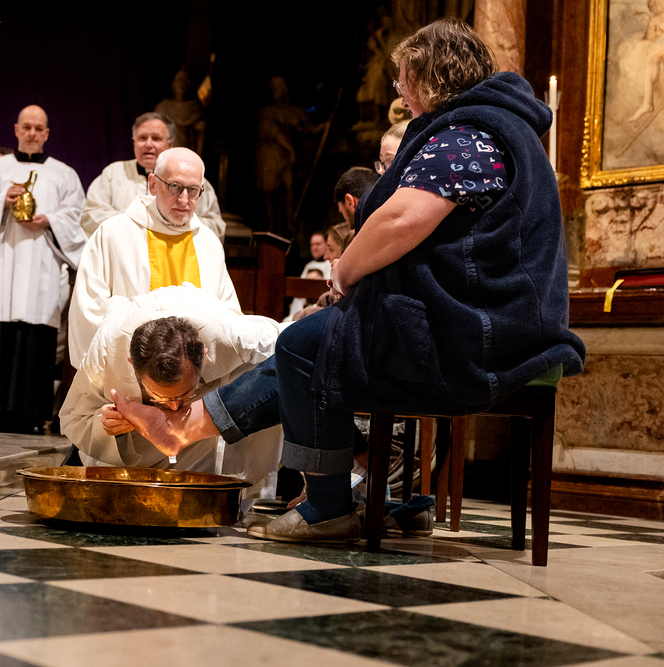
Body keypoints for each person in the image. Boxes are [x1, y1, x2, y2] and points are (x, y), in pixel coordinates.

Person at [112, 17, 585, 545]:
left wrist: (346, 271)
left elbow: (402, 219)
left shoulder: (469, 135)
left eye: (404, 80)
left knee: (302, 346)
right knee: (316, 340)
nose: (400, 94)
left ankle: (326, 504)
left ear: (429, 77)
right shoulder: (494, 127)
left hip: (475, 331)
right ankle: (322, 482)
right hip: (485, 315)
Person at [60, 285, 283, 497]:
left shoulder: (229, 335)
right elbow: (74, 418)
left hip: (205, 443)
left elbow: (289, 344)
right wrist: (107, 422)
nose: (175, 407)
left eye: (184, 394)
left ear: (205, 356)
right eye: (159, 396)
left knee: (267, 373)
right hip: (140, 452)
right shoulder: (106, 352)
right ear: (131, 364)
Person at [0, 104, 85, 434]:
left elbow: (75, 218)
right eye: (27, 127)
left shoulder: (64, 174)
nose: (32, 133)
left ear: (47, 134)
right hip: (3, 262)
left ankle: (30, 416)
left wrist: (50, 220)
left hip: (40, 266)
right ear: (16, 130)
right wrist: (2, 201)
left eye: (38, 129)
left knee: (35, 335)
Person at [68, 147, 239, 369]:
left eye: (193, 190)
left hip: (196, 375)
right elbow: (89, 312)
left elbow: (228, 316)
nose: (184, 200)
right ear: (153, 184)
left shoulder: (208, 242)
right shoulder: (112, 234)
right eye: (175, 187)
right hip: (129, 370)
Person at [80, 112, 225, 241]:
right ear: (134, 142)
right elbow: (91, 216)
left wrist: (175, 224)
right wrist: (139, 222)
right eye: (142, 138)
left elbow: (214, 227)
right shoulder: (113, 173)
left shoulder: (191, 178)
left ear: (170, 144)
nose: (148, 144)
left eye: (156, 138)